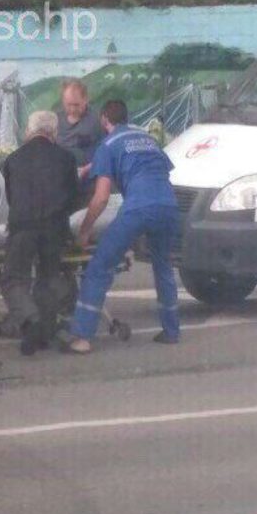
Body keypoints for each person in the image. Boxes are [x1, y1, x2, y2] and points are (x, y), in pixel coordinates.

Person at [66, 99, 180, 354]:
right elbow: (150, 167)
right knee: (163, 267)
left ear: (105, 120)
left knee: (99, 268)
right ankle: (172, 331)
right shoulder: (149, 140)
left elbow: (102, 197)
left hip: (137, 209)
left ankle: (82, 337)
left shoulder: (107, 145)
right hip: (169, 207)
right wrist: (91, 167)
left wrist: (85, 230)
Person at [0, 111, 83, 355]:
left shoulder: (13, 159)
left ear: (29, 130)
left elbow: (12, 198)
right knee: (48, 277)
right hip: (54, 228)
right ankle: (46, 331)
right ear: (54, 132)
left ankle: (30, 319)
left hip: (22, 226)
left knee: (14, 279)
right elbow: (74, 197)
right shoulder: (66, 158)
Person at [56, 79, 104, 168]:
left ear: (86, 99)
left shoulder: (97, 120)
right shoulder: (55, 121)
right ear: (63, 100)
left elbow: (106, 153)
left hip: (88, 171)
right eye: (69, 105)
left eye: (76, 105)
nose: (73, 109)